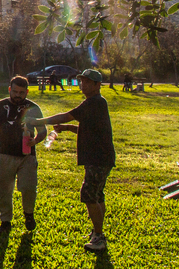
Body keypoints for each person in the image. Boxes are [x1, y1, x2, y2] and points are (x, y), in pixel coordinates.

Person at [26, 68, 116, 252]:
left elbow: (66, 115)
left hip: (98, 158)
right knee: (97, 194)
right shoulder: (95, 103)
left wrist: (37, 121)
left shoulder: (94, 102)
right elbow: (89, 129)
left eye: (87, 82)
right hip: (101, 157)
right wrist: (67, 128)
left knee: (89, 194)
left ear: (97, 85)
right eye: (82, 81)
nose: (83, 84)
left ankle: (99, 237)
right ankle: (96, 232)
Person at [0, 76, 46, 232]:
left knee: (28, 188)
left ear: (27, 92)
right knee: (4, 189)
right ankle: (5, 221)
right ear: (10, 89)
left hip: (27, 156)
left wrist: (36, 140)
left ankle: (29, 214)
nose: (18, 95)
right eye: (15, 91)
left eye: (22, 92)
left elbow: (43, 131)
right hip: (5, 155)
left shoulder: (33, 108)